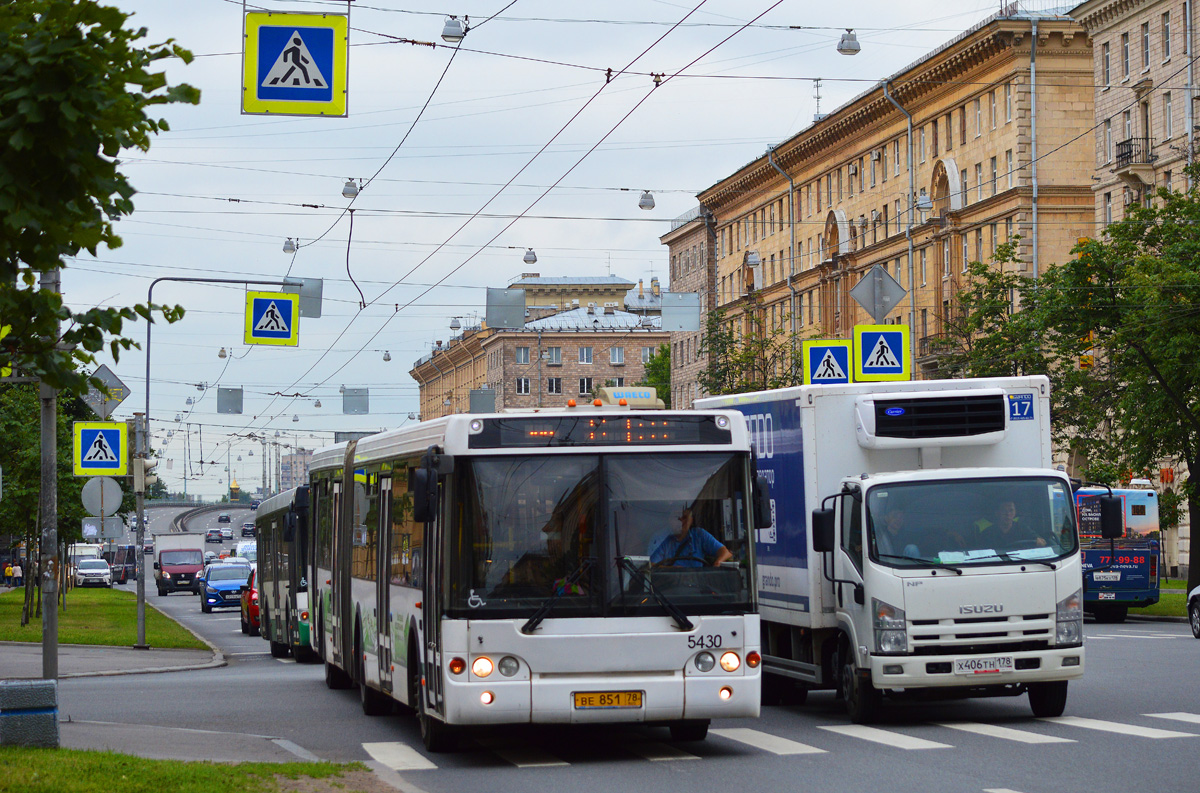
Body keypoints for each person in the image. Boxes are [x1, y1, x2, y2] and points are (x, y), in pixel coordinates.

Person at [650, 507, 732, 568]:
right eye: (677, 518)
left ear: (691, 520)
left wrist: (718, 562)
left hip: (697, 586)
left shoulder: (699, 535)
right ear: (670, 521)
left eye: (685, 517)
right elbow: (651, 565)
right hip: (670, 586)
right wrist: (671, 569)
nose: (681, 521)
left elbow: (725, 552)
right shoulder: (665, 540)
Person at [976, 499, 1045, 549]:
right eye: (1004, 510)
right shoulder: (987, 533)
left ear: (1015, 513)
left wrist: (1039, 540)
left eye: (1011, 510)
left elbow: (1040, 540)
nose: (1008, 514)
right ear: (997, 513)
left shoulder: (1023, 528)